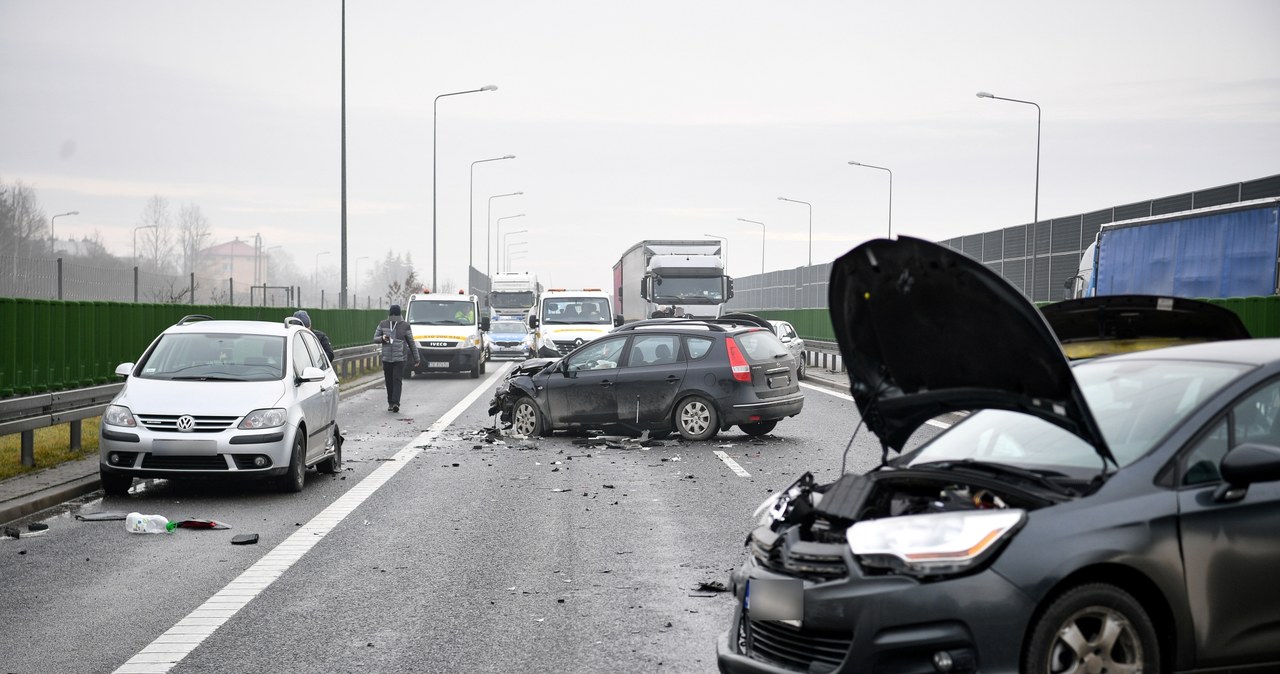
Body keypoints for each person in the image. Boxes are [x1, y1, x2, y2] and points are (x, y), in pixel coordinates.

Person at [373, 304, 419, 413]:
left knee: (397, 380)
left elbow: (411, 343)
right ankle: (390, 402)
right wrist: (382, 338)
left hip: (400, 359)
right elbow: (374, 338)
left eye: (395, 315)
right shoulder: (383, 324)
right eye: (392, 315)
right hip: (386, 358)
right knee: (389, 381)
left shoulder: (405, 325)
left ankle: (396, 403)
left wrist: (417, 358)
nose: (394, 317)